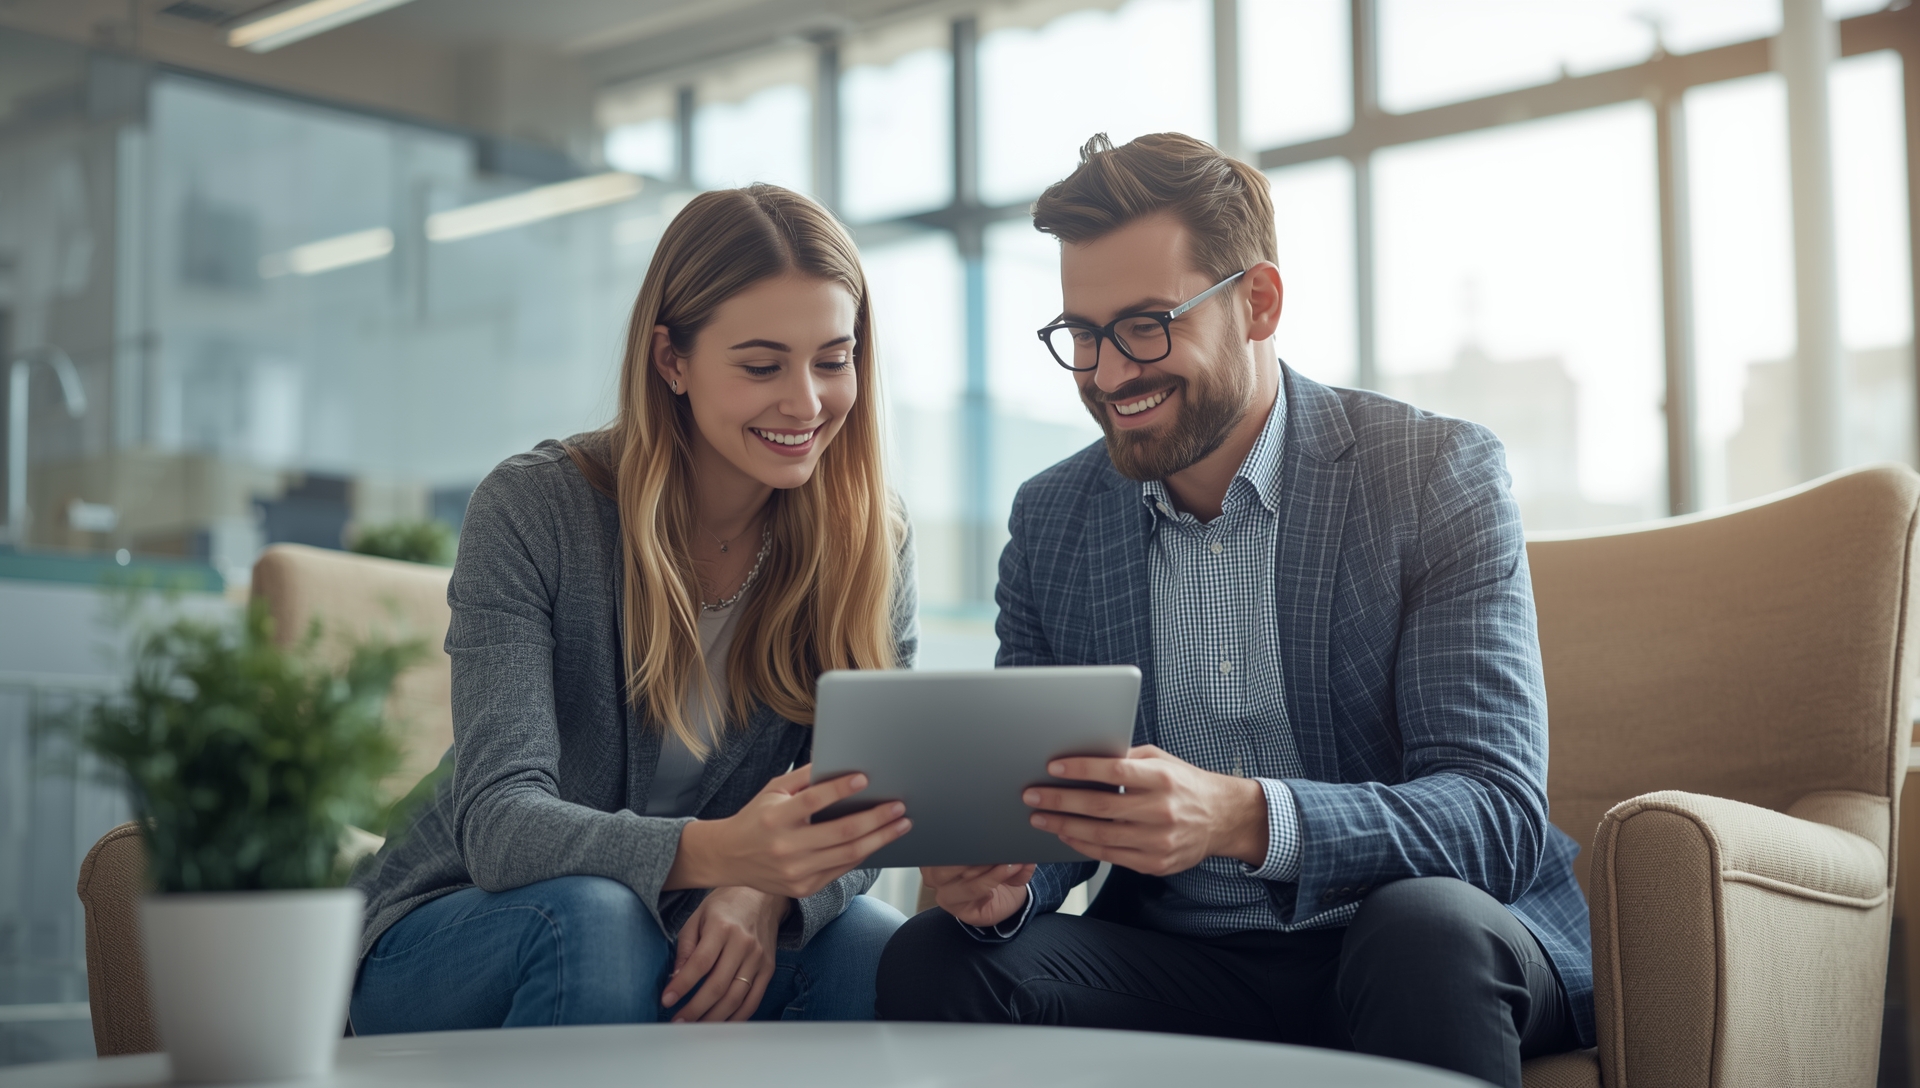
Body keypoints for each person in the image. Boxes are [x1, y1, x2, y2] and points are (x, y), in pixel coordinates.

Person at [875, 133, 1592, 1088]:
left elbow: (1493, 815)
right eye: (1082, 335)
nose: (1108, 373)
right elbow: (1051, 812)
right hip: (1187, 963)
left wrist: (1246, 818)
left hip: (1412, 939)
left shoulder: (1433, 474)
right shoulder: (1054, 517)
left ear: (1258, 302)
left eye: (1145, 324)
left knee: (1422, 931)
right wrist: (1002, 885)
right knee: (934, 958)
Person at [349, 184, 917, 1032]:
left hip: (687, 924)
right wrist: (729, 853)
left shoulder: (867, 542)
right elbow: (502, 825)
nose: (806, 402)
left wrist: (764, 891)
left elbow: (863, 805)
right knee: (598, 922)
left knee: (877, 948)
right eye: (762, 365)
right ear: (671, 360)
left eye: (833, 360)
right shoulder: (533, 510)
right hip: (462, 925)